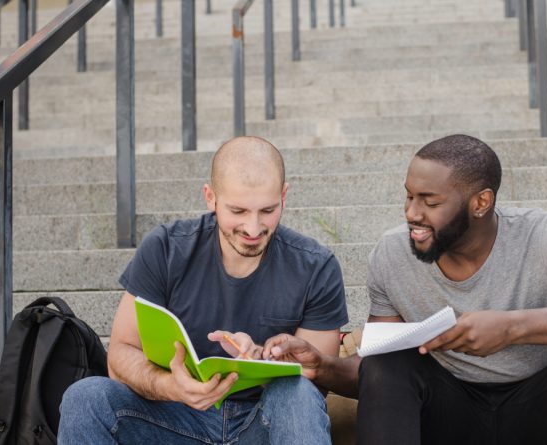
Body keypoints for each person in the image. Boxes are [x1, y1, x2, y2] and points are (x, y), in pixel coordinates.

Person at [263, 134, 547, 444]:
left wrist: (514, 327)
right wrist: (325, 367)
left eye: (429, 200)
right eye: (408, 197)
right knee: (388, 363)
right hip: (449, 417)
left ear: (480, 203)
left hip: (543, 413)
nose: (412, 213)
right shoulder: (392, 254)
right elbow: (375, 375)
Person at [58, 136, 348, 444]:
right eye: (238, 211)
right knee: (85, 397)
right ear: (210, 197)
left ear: (284, 195)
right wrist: (172, 386)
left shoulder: (316, 266)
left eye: (267, 210)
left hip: (260, 422)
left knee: (298, 393)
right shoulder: (166, 249)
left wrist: (263, 362)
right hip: (172, 416)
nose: (253, 228)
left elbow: (313, 387)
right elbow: (120, 354)